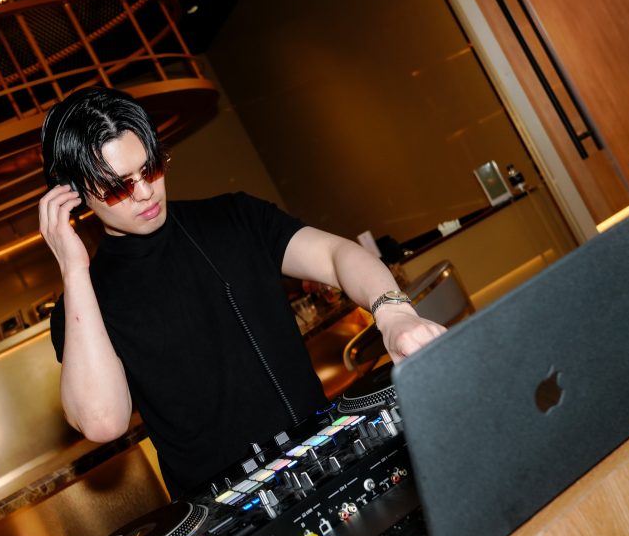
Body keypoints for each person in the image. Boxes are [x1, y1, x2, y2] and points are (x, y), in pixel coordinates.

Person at [37, 86, 445, 497]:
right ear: (77, 195)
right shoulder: (83, 305)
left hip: (331, 463)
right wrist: (73, 269)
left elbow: (336, 255)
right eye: (117, 187)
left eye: (151, 168)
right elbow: (103, 421)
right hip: (227, 513)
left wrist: (394, 313)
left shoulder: (235, 217)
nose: (145, 192)